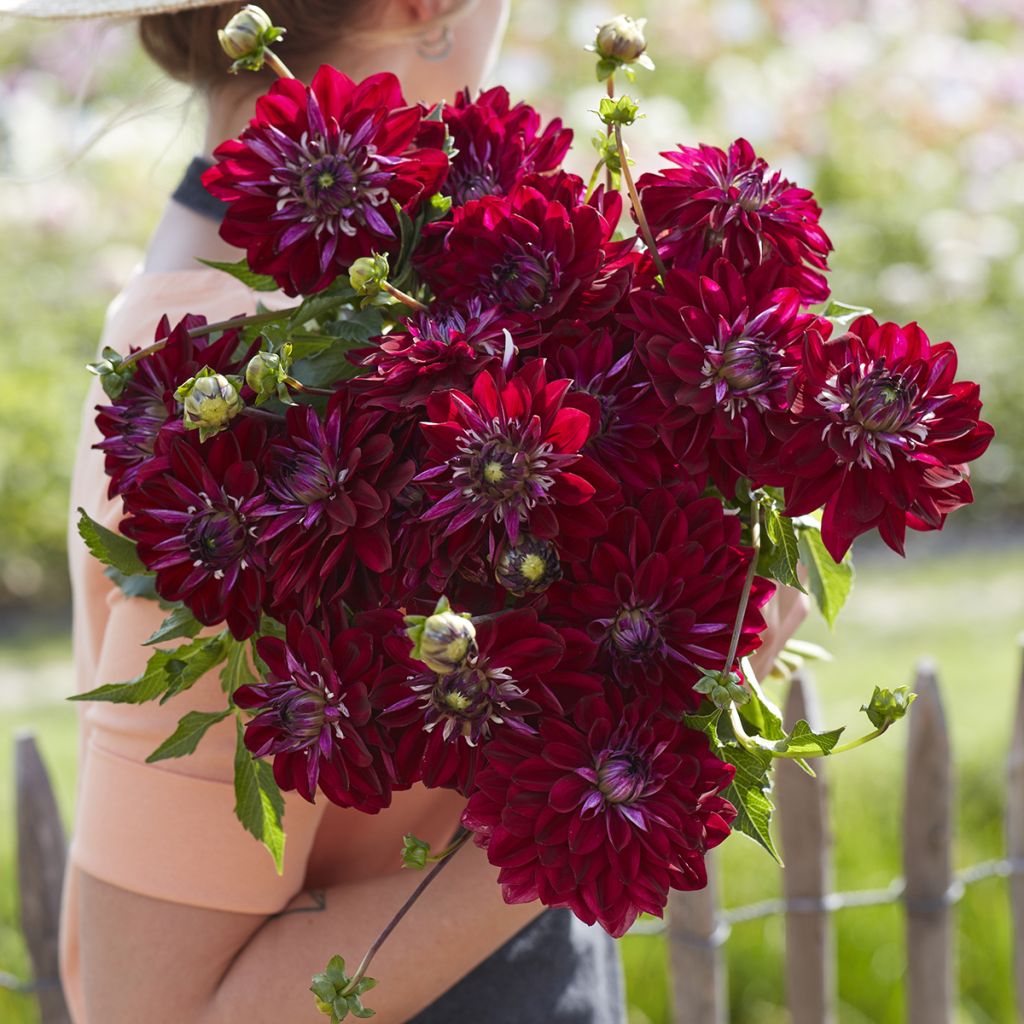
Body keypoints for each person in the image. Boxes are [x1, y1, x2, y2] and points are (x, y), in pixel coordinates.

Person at [3, 0, 808, 1020]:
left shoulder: (317, 305)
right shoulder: (252, 389)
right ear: (416, 4)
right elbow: (155, 1007)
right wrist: (617, 788)